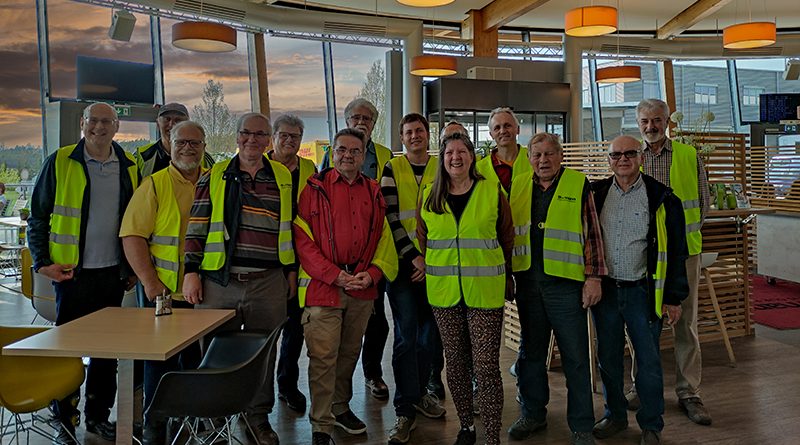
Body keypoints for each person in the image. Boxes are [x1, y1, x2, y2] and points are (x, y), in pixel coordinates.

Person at [28, 102, 139, 444]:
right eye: (93, 120)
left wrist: (131, 267)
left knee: (106, 352)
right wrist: (41, 262)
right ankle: (64, 417)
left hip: (111, 275)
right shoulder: (60, 161)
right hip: (71, 275)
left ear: (117, 126)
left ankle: (97, 417)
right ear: (82, 123)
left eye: (107, 121)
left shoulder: (129, 166)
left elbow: (135, 223)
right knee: (69, 350)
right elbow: (38, 216)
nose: (99, 127)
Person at [182, 112, 295, 445]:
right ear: (236, 136)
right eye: (247, 133)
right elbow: (197, 224)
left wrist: (290, 272)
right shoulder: (215, 174)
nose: (253, 140)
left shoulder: (282, 176)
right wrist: (191, 272)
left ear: (268, 139)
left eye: (260, 134)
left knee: (264, 353)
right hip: (220, 282)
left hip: (269, 280)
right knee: (215, 353)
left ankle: (258, 417)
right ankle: (214, 421)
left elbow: (291, 226)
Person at [294, 127, 398, 445]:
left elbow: (383, 236)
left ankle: (340, 408)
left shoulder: (373, 190)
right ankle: (321, 425)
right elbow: (302, 239)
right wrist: (332, 274)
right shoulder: (314, 188)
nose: (347, 156)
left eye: (355, 151)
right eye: (341, 150)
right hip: (324, 286)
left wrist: (375, 273)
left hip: (362, 287)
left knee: (349, 353)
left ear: (364, 154)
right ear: (332, 152)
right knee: (323, 357)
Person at [591, 135, 689, 445]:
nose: (622, 159)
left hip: (642, 294)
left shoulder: (662, 198)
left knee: (648, 362)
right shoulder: (596, 194)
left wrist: (673, 298)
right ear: (608, 160)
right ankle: (615, 415)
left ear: (641, 158)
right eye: (616, 154)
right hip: (606, 293)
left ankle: (651, 424)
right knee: (608, 358)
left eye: (629, 153)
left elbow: (677, 253)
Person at [508, 133, 606, 445]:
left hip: (566, 286)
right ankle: (533, 413)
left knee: (576, 358)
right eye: (537, 155)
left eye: (550, 154)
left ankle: (581, 427)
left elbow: (593, 234)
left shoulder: (579, 184)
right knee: (531, 354)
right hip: (528, 284)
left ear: (561, 156)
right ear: (528, 158)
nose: (543, 161)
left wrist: (594, 278)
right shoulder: (519, 185)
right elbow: (508, 234)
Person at [417, 132, 514, 445]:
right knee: (456, 364)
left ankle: (492, 434)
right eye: (449, 153)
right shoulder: (430, 195)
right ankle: (466, 428)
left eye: (461, 152)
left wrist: (506, 273)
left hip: (484, 292)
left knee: (486, 366)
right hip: (444, 293)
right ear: (442, 159)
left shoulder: (490, 189)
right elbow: (424, 240)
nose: (455, 157)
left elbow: (506, 235)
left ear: (472, 157)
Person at [120, 121, 208, 445]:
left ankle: (193, 420)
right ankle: (154, 422)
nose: (188, 148)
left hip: (203, 292)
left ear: (204, 146)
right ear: (169, 144)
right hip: (164, 293)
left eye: (195, 143)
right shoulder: (154, 185)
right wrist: (150, 282)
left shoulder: (214, 182)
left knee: (195, 362)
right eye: (181, 142)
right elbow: (132, 236)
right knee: (159, 362)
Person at [635, 98, 712, 426]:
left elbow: (703, 203)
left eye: (656, 120)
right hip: (642, 257)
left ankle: (688, 391)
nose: (650, 127)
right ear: (638, 123)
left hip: (683, 255)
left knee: (686, 324)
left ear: (667, 122)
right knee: (641, 324)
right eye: (644, 121)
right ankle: (641, 387)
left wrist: (679, 240)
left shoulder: (687, 155)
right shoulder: (629, 156)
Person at [322, 97, 394, 400]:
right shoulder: (333, 153)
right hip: (339, 261)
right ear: (346, 120)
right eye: (355, 117)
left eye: (367, 118)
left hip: (377, 249)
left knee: (377, 323)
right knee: (337, 332)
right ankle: (338, 394)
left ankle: (372, 373)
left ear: (374, 124)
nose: (361, 121)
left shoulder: (386, 155)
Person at [382, 113, 446, 444]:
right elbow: (391, 217)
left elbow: (451, 216)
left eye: (419, 131)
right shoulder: (392, 168)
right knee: (406, 336)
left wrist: (430, 259)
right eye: (409, 132)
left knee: (428, 337)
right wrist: (414, 257)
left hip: (436, 266)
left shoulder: (442, 166)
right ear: (402, 139)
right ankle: (404, 409)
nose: (415, 136)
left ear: (428, 135)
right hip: (404, 267)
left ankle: (420, 393)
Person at [269, 113, 317, 414]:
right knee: (265, 330)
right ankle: (257, 394)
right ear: (274, 137)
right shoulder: (260, 167)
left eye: (295, 137)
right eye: (284, 135)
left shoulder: (310, 169)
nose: (289, 141)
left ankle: (287, 385)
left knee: (294, 328)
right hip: (267, 260)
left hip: (300, 260)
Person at [133, 102, 214, 178]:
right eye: (167, 119)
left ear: (187, 124)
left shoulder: (203, 158)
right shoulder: (143, 156)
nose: (172, 124)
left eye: (178, 120)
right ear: (158, 123)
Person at [476, 107, 532, 194]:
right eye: (497, 128)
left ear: (518, 129)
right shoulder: (479, 169)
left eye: (507, 125)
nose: (502, 131)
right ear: (491, 134)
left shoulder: (534, 159)